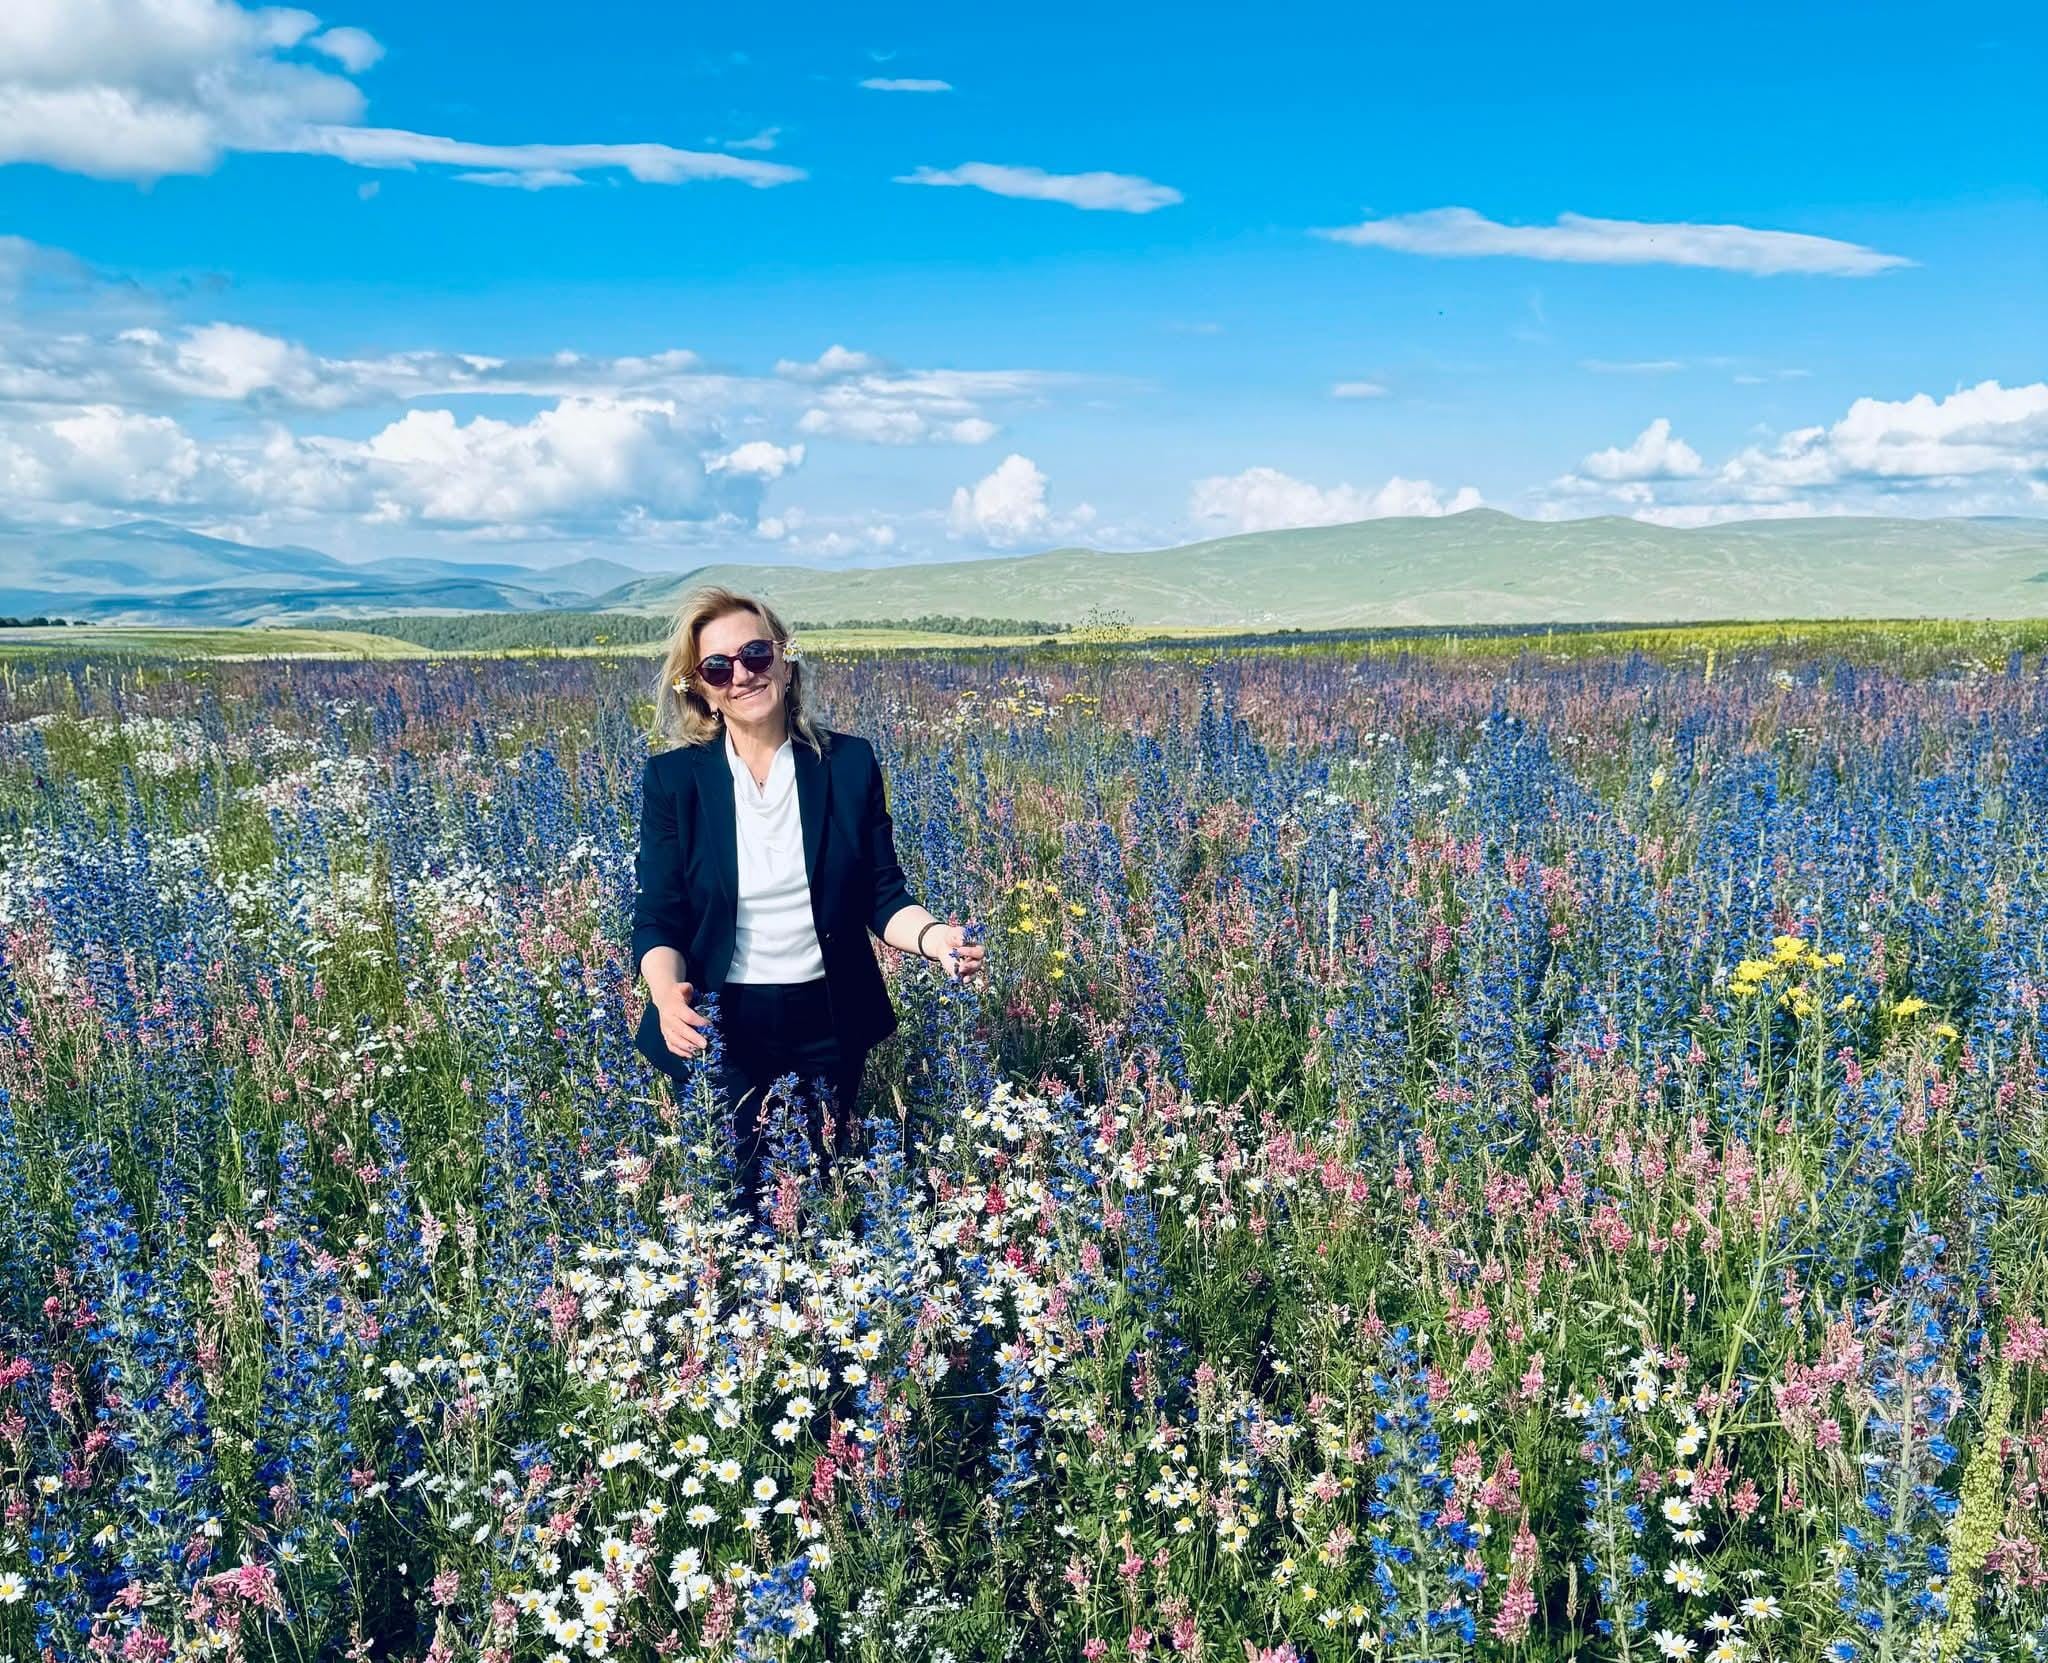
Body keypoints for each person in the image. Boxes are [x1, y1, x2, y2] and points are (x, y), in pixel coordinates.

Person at [627, 585, 984, 1218]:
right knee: (735, 1193)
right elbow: (660, 913)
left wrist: (937, 941)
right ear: (700, 688)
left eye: (757, 655)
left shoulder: (847, 763)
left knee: (822, 1185)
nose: (742, 675)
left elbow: (881, 893)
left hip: (827, 1013)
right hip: (721, 1018)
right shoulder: (674, 780)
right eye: (719, 667)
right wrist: (664, 995)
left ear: (786, 662)